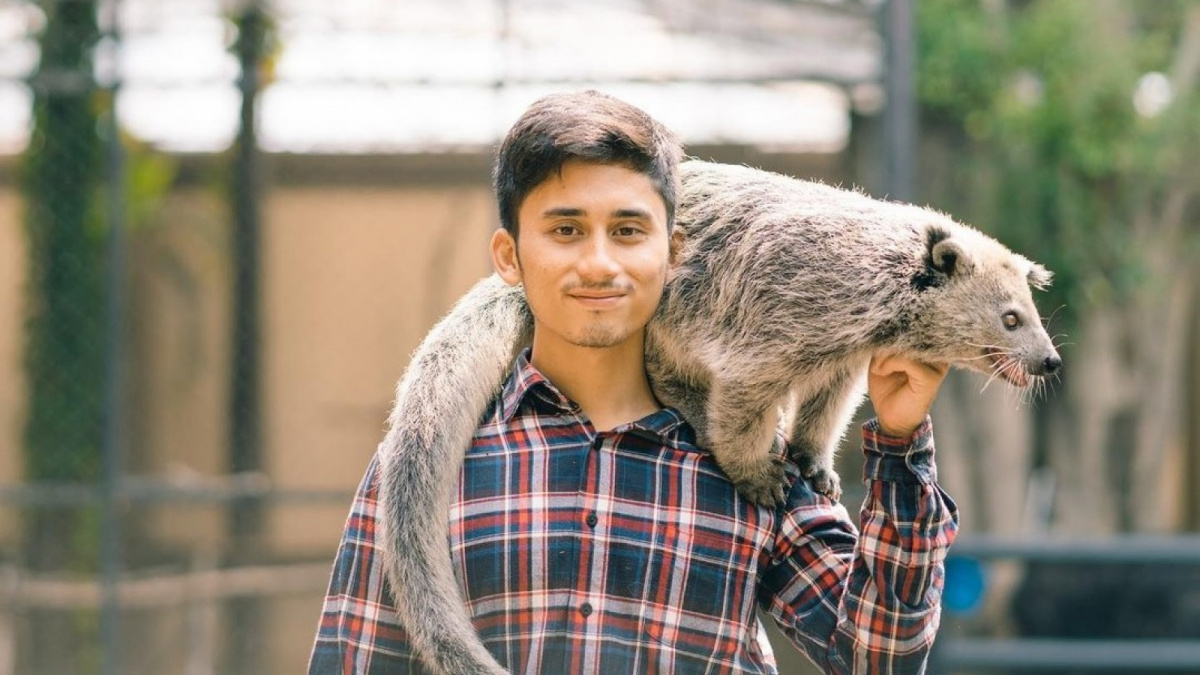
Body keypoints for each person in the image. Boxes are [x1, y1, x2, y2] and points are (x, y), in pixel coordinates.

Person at [307, 90, 958, 674]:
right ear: (509, 256)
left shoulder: (753, 461)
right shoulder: (434, 459)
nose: (598, 261)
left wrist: (899, 443)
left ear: (674, 252)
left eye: (627, 230)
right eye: (566, 230)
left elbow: (880, 657)